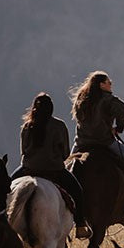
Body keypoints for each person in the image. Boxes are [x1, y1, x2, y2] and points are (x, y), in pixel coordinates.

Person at [11, 92, 91, 238]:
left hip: (29, 169)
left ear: (34, 108)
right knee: (78, 191)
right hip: (54, 170)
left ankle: (3, 223)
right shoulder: (59, 126)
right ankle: (80, 225)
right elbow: (65, 153)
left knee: (7, 188)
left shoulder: (27, 126)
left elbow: (23, 151)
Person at [69, 71, 124, 212]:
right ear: (101, 85)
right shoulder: (107, 99)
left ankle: (63, 196)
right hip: (104, 141)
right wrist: (119, 127)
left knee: (66, 167)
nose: (111, 85)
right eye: (109, 83)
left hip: (81, 142)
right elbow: (122, 107)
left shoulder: (81, 100)